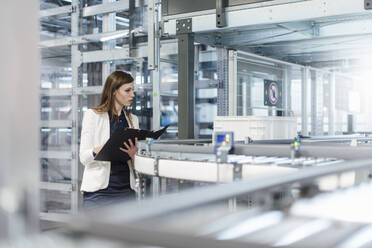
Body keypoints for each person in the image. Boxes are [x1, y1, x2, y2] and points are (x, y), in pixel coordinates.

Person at [79, 70, 139, 209]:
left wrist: (134, 155)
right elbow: (83, 157)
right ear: (113, 91)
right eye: (127, 90)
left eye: (133, 90)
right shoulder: (93, 115)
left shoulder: (133, 120)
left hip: (126, 192)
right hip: (99, 194)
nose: (132, 95)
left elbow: (136, 165)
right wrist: (104, 147)